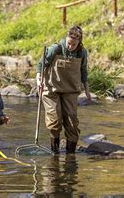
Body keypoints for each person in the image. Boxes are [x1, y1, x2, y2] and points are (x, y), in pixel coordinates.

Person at [36, 25, 91, 154]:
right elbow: (40, 64)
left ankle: (70, 156)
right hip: (51, 90)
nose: (71, 46)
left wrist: (87, 91)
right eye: (69, 43)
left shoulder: (82, 53)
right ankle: (54, 154)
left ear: (79, 42)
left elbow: (83, 72)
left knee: (72, 123)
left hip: (71, 90)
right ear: (66, 38)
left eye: (74, 44)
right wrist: (39, 80)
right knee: (55, 121)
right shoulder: (55, 49)